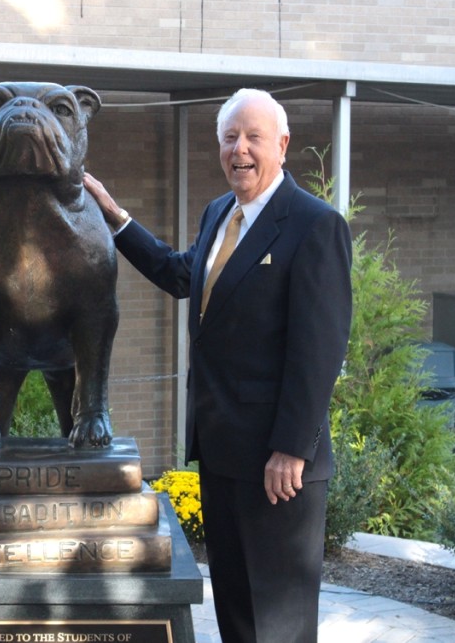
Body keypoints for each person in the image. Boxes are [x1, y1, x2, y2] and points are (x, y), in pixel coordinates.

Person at [83, 88, 352, 643]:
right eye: (230, 138)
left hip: (279, 465)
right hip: (224, 450)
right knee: (236, 612)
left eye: (254, 137)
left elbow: (318, 349)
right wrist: (114, 217)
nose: (240, 150)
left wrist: (291, 448)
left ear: (282, 143)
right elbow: (182, 275)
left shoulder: (313, 225)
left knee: (277, 624)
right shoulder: (218, 214)